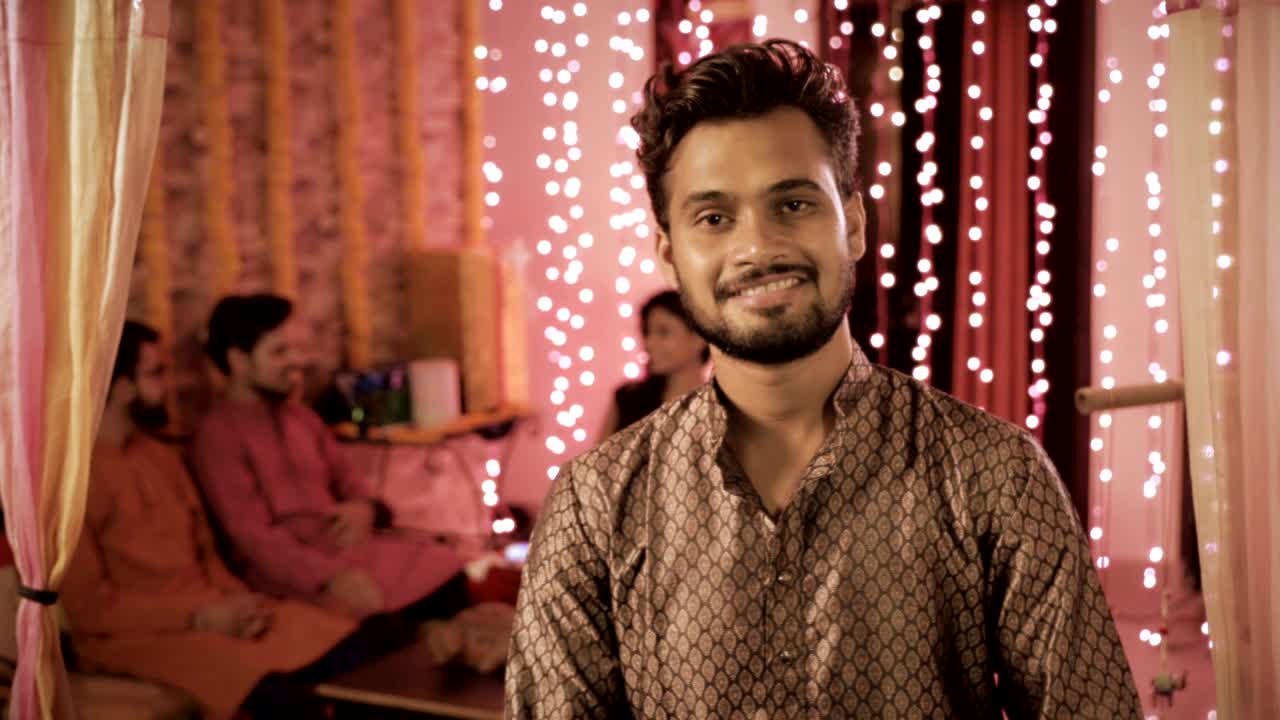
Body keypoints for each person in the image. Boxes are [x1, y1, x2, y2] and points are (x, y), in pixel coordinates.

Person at [506, 40, 1142, 718]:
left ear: (855, 223)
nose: (757, 247)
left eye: (793, 204)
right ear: (669, 253)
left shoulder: (996, 476)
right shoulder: (594, 507)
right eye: (714, 218)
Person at [62, 321, 357, 719]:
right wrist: (198, 617)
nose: (170, 386)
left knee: (360, 649)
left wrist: (240, 602)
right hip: (142, 637)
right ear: (121, 386)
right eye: (156, 374)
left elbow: (206, 554)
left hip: (215, 611)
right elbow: (90, 610)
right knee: (286, 699)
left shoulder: (160, 457)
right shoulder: (71, 479)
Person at [189, 294, 466, 621]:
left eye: (296, 349)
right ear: (238, 360)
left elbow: (349, 479)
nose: (297, 361)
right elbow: (253, 537)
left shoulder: (301, 418)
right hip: (288, 574)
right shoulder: (218, 435)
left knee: (453, 575)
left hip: (348, 550)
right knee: (386, 617)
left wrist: (364, 508)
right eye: (279, 352)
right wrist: (330, 577)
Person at [599, 289, 709, 438]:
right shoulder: (629, 400)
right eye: (647, 332)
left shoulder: (720, 409)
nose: (649, 343)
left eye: (663, 332)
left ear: (699, 338)